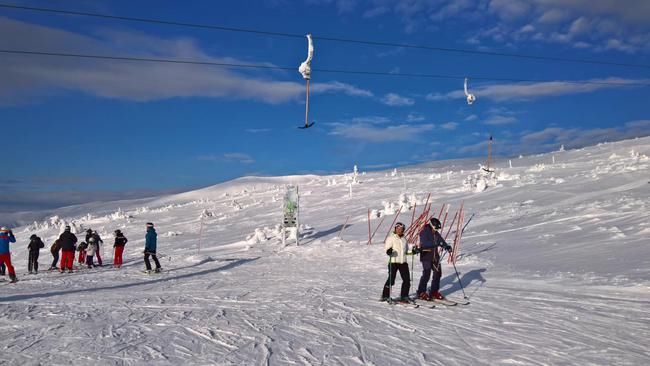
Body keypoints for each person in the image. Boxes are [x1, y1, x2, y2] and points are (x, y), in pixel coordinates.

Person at [416, 217, 452, 301]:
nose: (437, 230)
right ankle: (421, 292)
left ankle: (434, 291)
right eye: (436, 228)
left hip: (435, 256)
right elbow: (424, 243)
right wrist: (436, 244)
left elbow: (441, 241)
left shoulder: (436, 233)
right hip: (426, 256)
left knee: (438, 273)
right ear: (432, 225)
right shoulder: (424, 232)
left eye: (438, 229)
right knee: (427, 274)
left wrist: (446, 246)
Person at [380, 222, 412, 303]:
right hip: (393, 262)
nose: (399, 230)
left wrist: (413, 252)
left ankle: (404, 296)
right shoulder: (391, 238)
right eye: (398, 228)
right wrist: (389, 251)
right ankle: (385, 296)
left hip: (403, 262)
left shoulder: (404, 239)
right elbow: (387, 249)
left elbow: (406, 252)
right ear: (395, 229)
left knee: (407, 280)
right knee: (391, 279)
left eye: (401, 229)